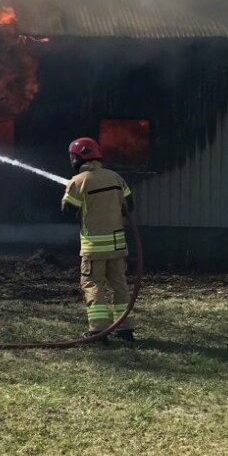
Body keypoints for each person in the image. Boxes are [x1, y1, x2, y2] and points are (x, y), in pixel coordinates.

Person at [61, 137, 135, 343]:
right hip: (118, 246)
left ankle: (98, 331)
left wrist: (71, 196)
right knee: (119, 285)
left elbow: (67, 211)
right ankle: (124, 330)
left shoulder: (78, 181)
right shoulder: (115, 178)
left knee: (93, 285)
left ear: (78, 158)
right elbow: (130, 206)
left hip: (94, 248)